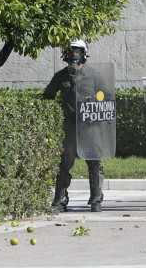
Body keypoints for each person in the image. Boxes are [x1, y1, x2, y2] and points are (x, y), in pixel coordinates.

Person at [43, 39, 105, 212]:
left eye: (77, 51)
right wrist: (56, 112)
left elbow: (106, 96)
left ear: (84, 52)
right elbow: (47, 96)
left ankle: (96, 198)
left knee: (94, 161)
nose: (73, 55)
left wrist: (95, 100)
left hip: (90, 123)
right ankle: (60, 199)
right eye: (70, 51)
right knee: (65, 161)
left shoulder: (94, 75)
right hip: (69, 124)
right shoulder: (61, 75)